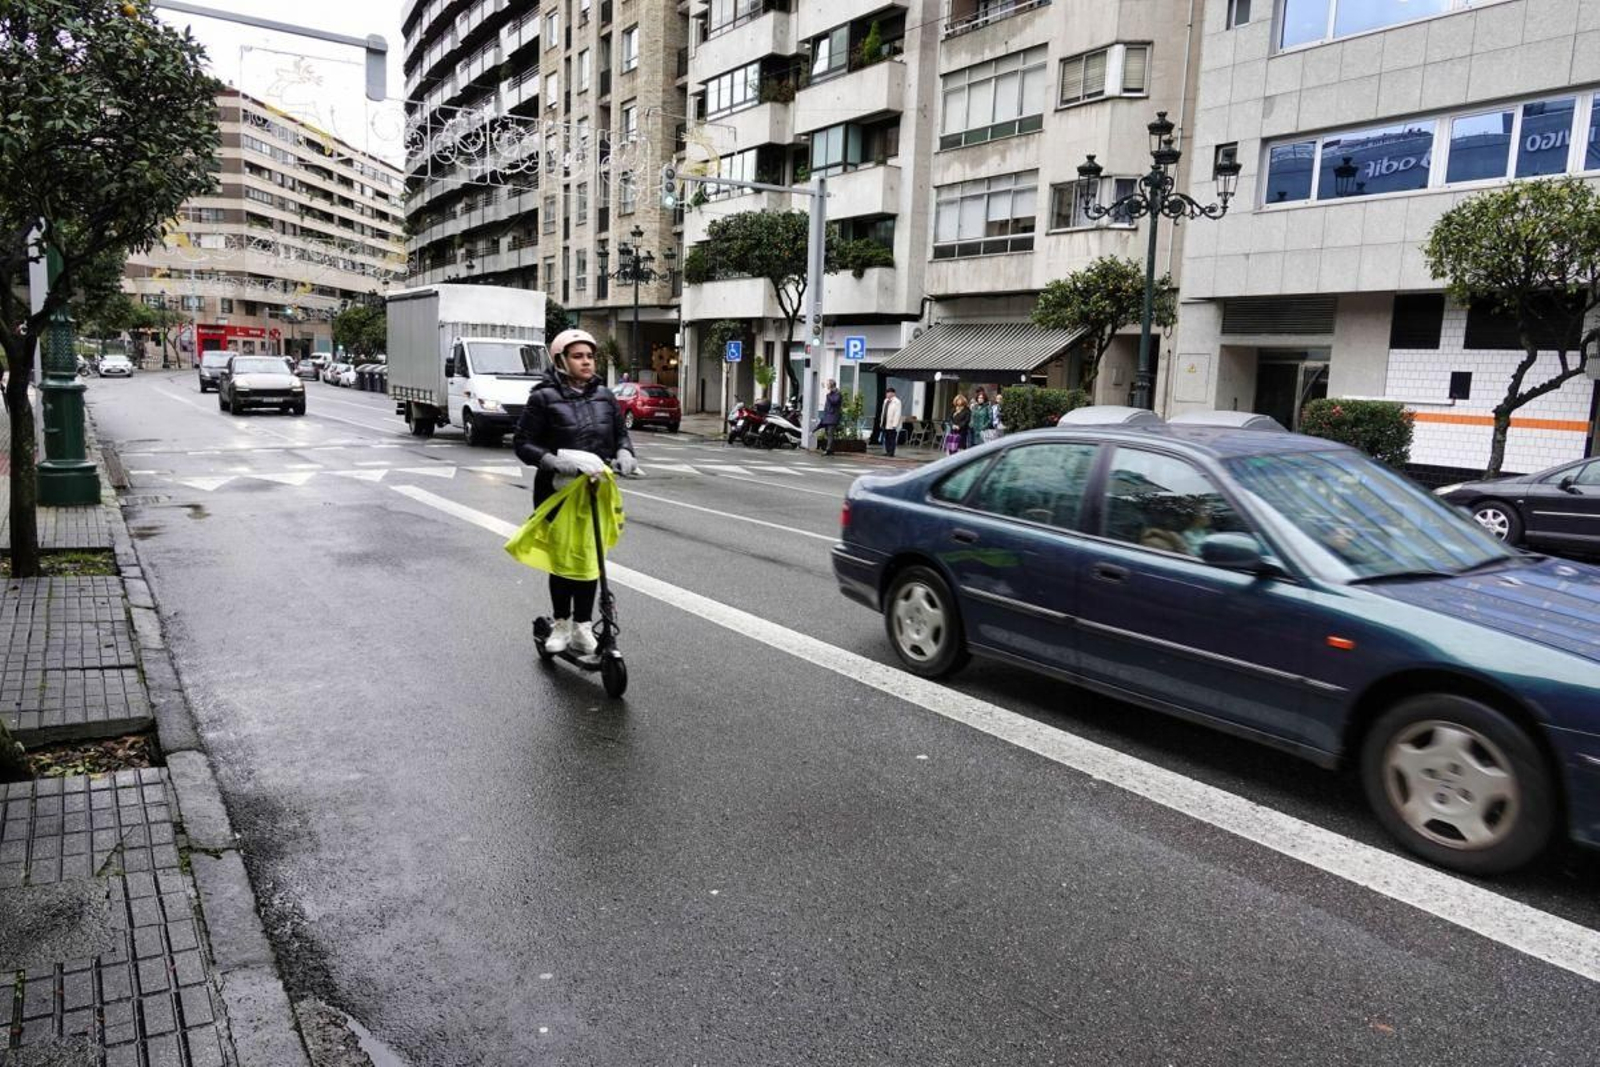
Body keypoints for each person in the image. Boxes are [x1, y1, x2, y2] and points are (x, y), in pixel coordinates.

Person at [513, 328, 638, 655]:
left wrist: (626, 453)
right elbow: (523, 444)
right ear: (561, 360)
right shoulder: (542, 397)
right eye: (578, 356)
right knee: (563, 560)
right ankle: (561, 625)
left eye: (590, 356)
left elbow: (621, 435)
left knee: (590, 559)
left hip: (596, 491)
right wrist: (552, 461)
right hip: (558, 492)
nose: (586, 362)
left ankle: (583, 628)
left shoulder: (606, 396)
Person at [817, 379, 842, 456]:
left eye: (828, 384)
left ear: (831, 385)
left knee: (830, 433)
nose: (827, 386)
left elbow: (835, 402)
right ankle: (830, 449)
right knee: (828, 433)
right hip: (828, 416)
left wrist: (828, 395)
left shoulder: (837, 393)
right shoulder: (831, 394)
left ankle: (828, 450)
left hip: (833, 417)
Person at [879, 387, 902, 458]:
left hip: (892, 423)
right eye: (887, 393)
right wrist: (881, 422)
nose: (887, 394)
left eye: (888, 393)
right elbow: (883, 412)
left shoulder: (897, 402)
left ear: (893, 393)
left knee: (892, 438)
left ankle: (891, 452)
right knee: (886, 438)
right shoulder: (886, 401)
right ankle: (887, 451)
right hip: (885, 422)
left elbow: (897, 414)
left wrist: (895, 424)